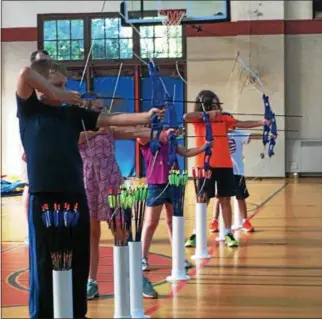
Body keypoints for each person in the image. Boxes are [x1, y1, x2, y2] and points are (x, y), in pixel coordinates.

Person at [16, 59, 164, 319]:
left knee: (77, 259)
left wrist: (146, 116)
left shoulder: (72, 115)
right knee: (44, 262)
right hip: (44, 200)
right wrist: (59, 94)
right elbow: (25, 73)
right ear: (41, 88)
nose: (63, 90)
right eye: (56, 84)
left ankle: (76, 312)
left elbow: (110, 119)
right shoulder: (29, 111)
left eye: (65, 84)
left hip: (74, 196)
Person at [79, 101, 163, 300]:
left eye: (103, 108)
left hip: (111, 182)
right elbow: (77, 139)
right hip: (88, 184)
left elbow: (135, 132)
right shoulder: (78, 129)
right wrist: (96, 129)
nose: (103, 112)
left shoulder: (109, 129)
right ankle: (91, 282)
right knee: (92, 235)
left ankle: (137, 277)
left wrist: (155, 126)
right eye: (97, 109)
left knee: (121, 232)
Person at [184, 90, 269, 248]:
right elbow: (186, 117)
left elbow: (241, 124)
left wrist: (262, 122)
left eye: (218, 104)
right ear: (206, 106)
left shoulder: (224, 119)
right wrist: (207, 115)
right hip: (205, 165)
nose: (217, 108)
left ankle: (228, 233)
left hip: (224, 165)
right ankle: (197, 232)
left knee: (225, 199)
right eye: (214, 104)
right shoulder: (199, 120)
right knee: (203, 199)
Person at [138, 128, 213, 273]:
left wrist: (205, 146)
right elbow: (142, 138)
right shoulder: (146, 138)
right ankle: (142, 258)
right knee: (150, 223)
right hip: (156, 185)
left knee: (174, 222)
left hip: (174, 182)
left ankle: (178, 257)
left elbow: (185, 152)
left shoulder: (170, 141)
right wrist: (162, 134)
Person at [22, 50, 51, 245]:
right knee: (29, 185)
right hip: (29, 136)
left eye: (47, 62)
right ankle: (29, 228)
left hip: (44, 138)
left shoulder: (48, 82)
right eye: (42, 62)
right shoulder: (29, 84)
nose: (45, 64)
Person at [210, 129, 262, 233]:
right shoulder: (218, 132)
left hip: (237, 171)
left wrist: (266, 135)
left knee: (240, 197)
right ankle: (214, 221)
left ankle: (244, 221)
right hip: (223, 170)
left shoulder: (238, 133)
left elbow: (252, 136)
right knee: (220, 197)